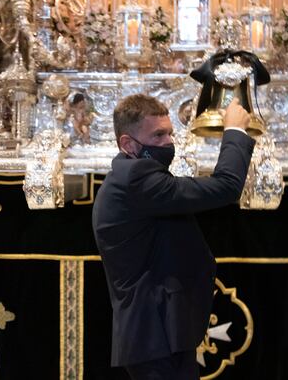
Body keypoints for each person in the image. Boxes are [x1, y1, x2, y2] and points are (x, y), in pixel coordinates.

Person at [92, 93, 255, 379]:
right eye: (157, 136)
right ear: (128, 144)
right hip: (154, 335)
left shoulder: (130, 177)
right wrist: (235, 129)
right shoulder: (138, 180)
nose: (168, 143)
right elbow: (228, 186)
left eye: (169, 133)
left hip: (162, 333)